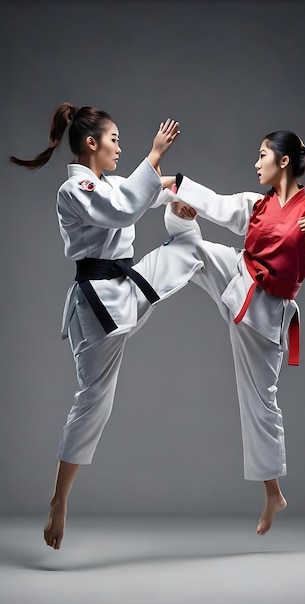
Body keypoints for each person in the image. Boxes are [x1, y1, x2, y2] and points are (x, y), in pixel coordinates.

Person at [10, 103, 204, 550]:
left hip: (127, 288)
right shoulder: (73, 188)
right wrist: (153, 157)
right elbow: (121, 211)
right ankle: (59, 500)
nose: (121, 147)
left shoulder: (111, 182)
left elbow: (152, 192)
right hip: (96, 307)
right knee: (95, 402)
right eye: (115, 139)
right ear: (92, 143)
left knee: (190, 250)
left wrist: (186, 194)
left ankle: (244, 283)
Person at [161, 129, 305, 535]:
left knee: (260, 403)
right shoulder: (256, 204)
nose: (256, 162)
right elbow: (215, 202)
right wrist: (173, 186)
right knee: (188, 247)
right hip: (239, 273)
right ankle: (134, 290)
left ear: (283, 161)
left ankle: (272, 494)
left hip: (268, 312)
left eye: (262, 155)